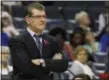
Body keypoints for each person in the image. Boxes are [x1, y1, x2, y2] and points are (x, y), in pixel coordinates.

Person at [9, 3, 68, 80]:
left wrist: (42, 62)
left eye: (44, 16)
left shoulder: (52, 40)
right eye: (38, 17)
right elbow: (25, 68)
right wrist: (52, 64)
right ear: (28, 20)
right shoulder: (17, 40)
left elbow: (63, 65)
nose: (42, 20)